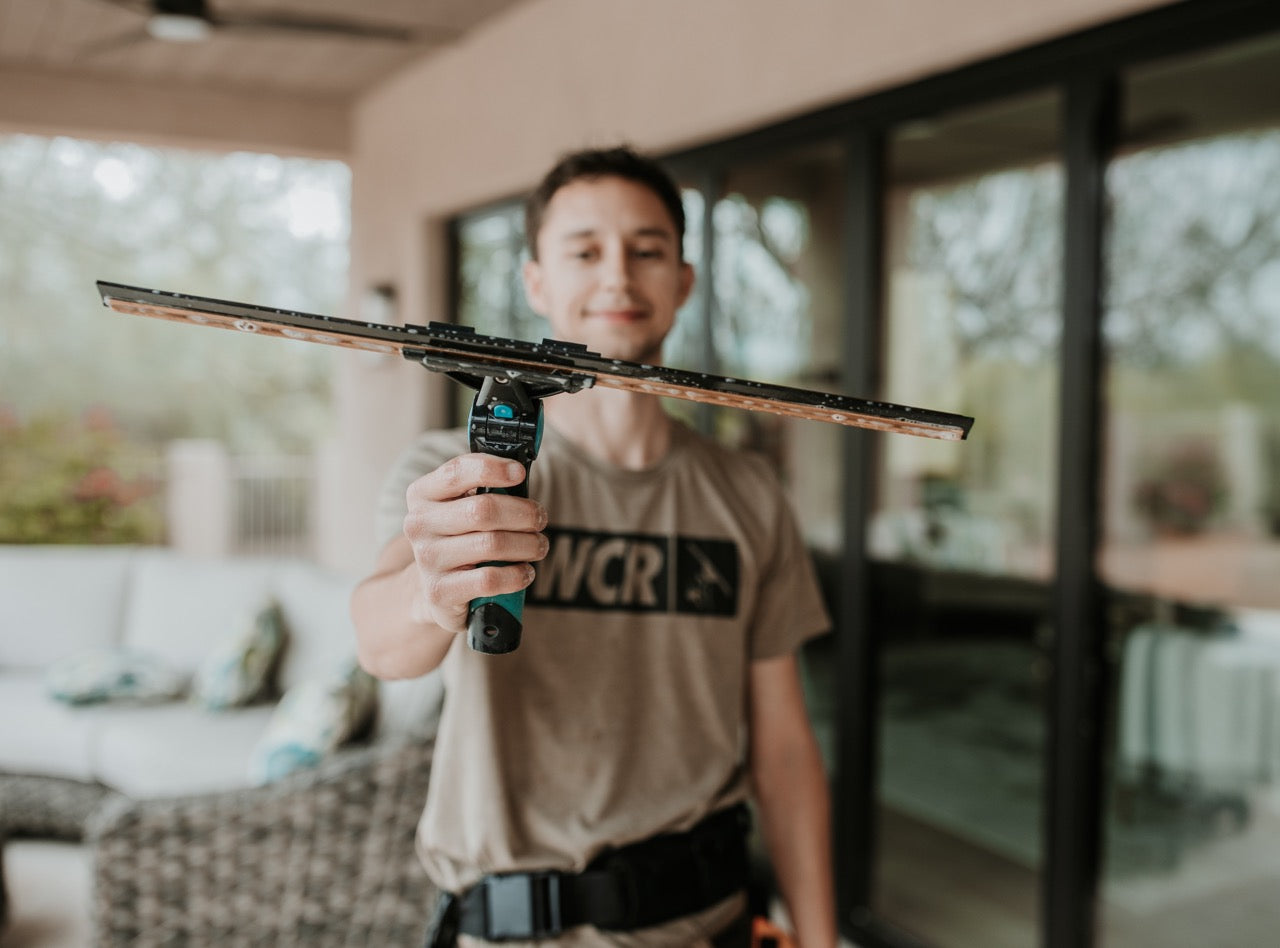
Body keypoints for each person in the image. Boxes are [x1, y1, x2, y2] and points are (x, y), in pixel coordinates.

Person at [351, 146, 837, 948]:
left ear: (682, 282)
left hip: (708, 922)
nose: (617, 277)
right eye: (584, 252)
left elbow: (783, 749)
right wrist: (431, 589)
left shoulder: (749, 494)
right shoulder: (457, 472)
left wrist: (819, 939)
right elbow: (382, 644)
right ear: (537, 280)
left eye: (647, 251)